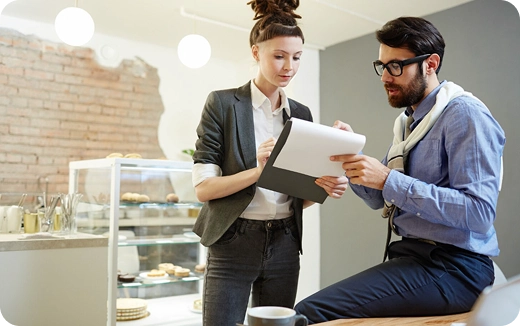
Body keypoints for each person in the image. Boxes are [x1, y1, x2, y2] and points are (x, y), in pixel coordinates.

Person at [294, 16, 506, 323]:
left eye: (396, 66)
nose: (385, 77)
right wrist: (349, 155)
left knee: (307, 312)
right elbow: (378, 198)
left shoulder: (464, 115)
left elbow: (479, 213)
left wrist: (388, 179)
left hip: (456, 267)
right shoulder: (409, 124)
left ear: (430, 64)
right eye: (382, 66)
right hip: (415, 258)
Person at [191, 1, 348, 325]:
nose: (288, 66)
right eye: (279, 55)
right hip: (233, 240)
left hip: (285, 243)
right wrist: (259, 172)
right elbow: (204, 189)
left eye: (296, 57)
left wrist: (326, 183)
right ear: (255, 52)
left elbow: (297, 197)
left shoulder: (301, 115)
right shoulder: (223, 104)